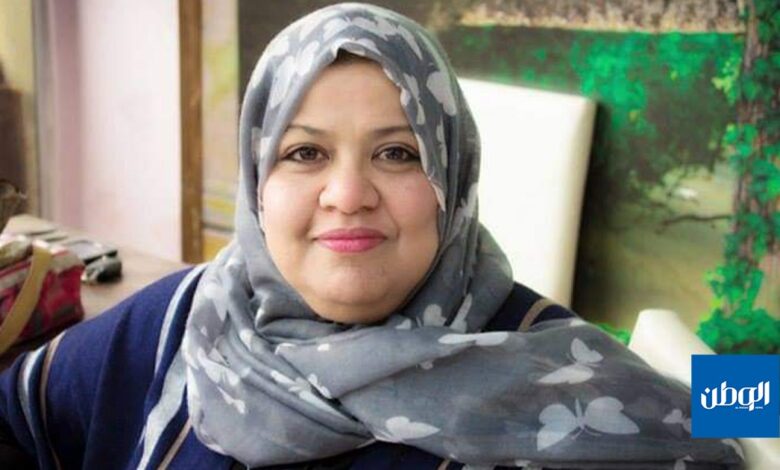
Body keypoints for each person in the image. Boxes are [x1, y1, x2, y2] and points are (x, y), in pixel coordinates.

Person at [0, 3, 744, 469]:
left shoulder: (547, 360)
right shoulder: (186, 319)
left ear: (453, 181)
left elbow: (739, 403)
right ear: (258, 183)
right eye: (304, 153)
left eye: (397, 153)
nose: (349, 194)